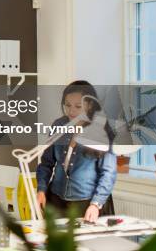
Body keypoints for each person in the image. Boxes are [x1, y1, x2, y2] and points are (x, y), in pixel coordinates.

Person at [36, 81, 117, 222]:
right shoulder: (58, 125)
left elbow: (108, 173)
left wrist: (95, 204)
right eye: (67, 105)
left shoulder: (101, 131)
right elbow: (46, 163)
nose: (71, 111)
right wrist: (41, 190)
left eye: (78, 106)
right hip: (55, 200)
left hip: (86, 203)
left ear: (90, 105)